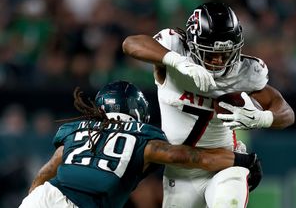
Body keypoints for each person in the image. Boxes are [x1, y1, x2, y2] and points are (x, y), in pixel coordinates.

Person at [122, 2, 295, 208]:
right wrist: (176, 61)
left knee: (227, 203)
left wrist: (264, 118)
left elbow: (286, 111)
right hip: (180, 171)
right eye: (211, 53)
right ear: (192, 45)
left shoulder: (245, 72)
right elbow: (130, 44)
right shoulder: (175, 50)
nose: (219, 61)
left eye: (226, 53)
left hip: (225, 163)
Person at [19, 80, 261, 208]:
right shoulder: (142, 137)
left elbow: (47, 171)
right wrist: (242, 159)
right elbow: (191, 157)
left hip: (41, 199)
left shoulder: (78, 130)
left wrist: (33, 198)